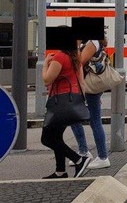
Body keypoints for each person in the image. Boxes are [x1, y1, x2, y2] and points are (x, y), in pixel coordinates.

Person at [41, 43, 92, 179]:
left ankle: (79, 160)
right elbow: (82, 83)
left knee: (47, 139)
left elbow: (47, 80)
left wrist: (45, 63)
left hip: (58, 104)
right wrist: (83, 101)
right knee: (57, 138)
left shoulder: (60, 57)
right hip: (71, 103)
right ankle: (60, 171)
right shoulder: (75, 58)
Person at [70, 38, 111, 170]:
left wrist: (76, 46)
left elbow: (79, 62)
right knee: (74, 118)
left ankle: (103, 157)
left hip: (90, 87)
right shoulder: (90, 43)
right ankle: (83, 151)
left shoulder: (93, 43)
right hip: (86, 86)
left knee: (94, 121)